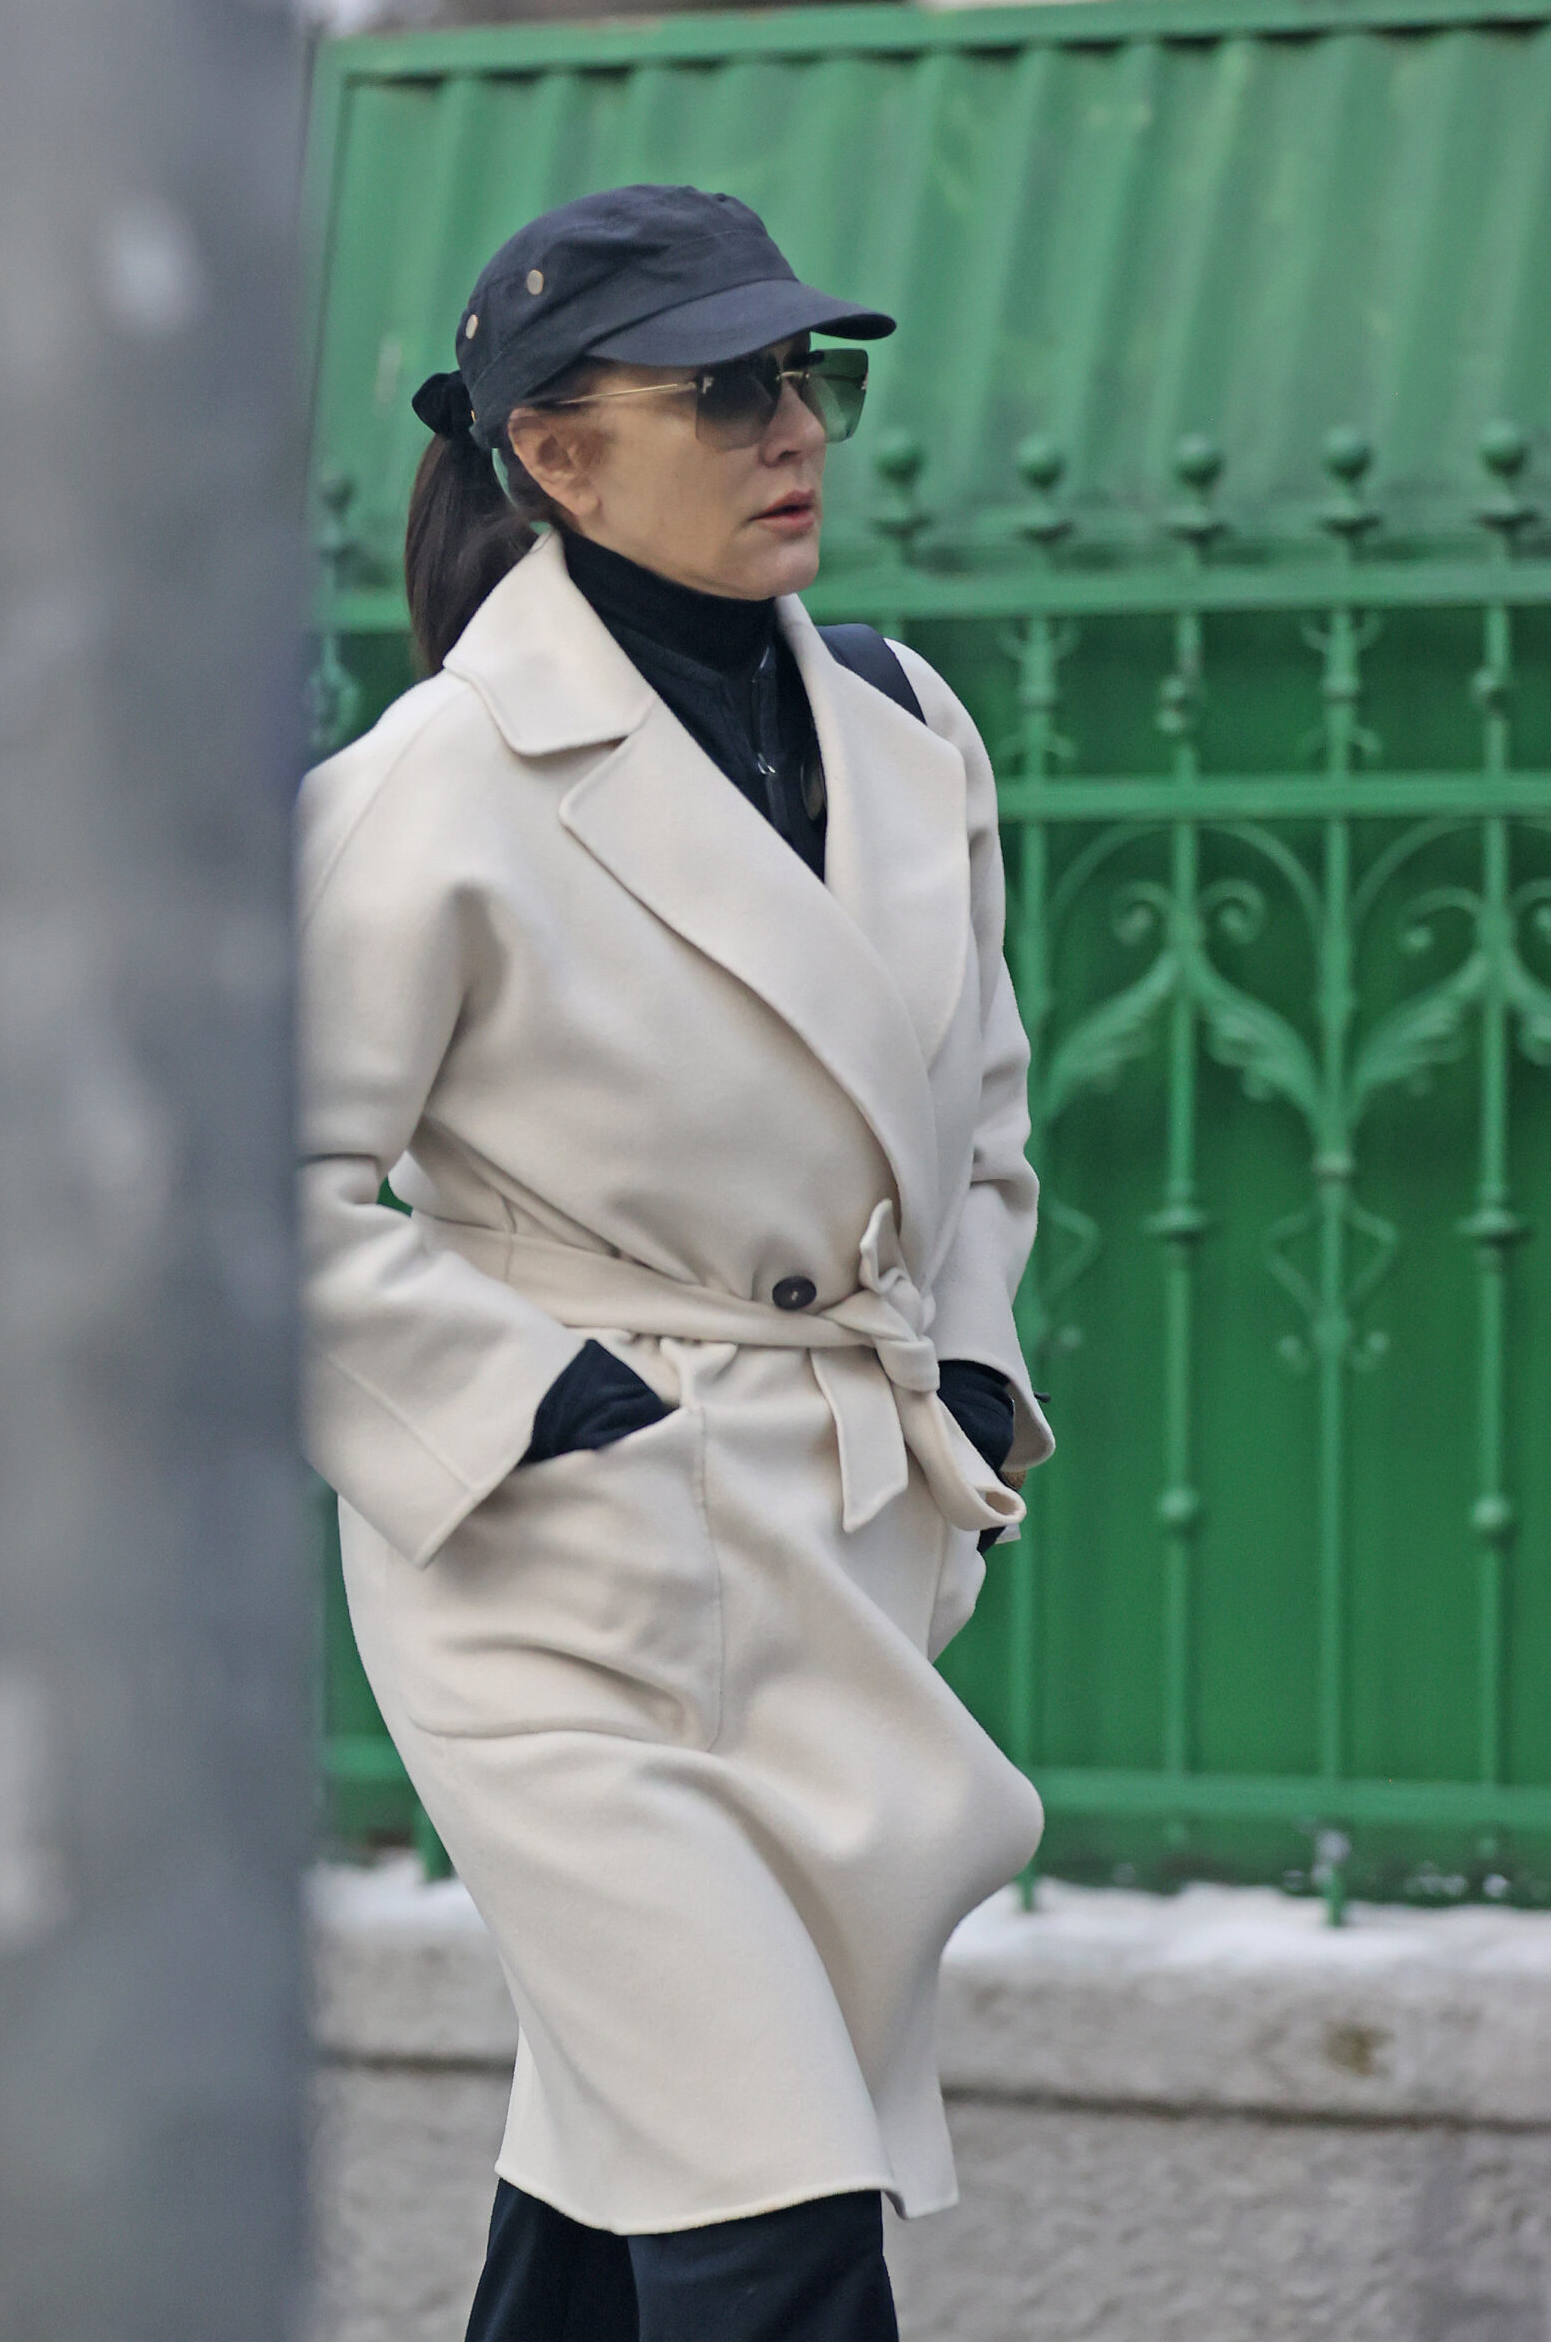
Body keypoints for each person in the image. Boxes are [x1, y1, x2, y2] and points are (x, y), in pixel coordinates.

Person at [300, 185, 1053, 2342]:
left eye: (803, 378)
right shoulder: (436, 781)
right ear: (554, 454)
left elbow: (978, 1113)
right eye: (724, 392)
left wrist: (968, 1369)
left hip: (839, 1543)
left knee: (632, 2175)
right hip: (557, 1592)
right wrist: (545, 1410)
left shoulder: (908, 723)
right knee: (771, 2196)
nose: (792, 427)